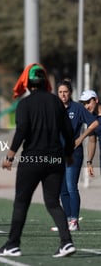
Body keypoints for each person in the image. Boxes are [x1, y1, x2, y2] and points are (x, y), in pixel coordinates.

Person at [0, 63, 76, 258]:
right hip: (55, 159)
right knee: (53, 203)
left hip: (32, 159)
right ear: (45, 82)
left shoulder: (25, 104)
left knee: (21, 202)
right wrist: (68, 154)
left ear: (29, 84)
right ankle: (67, 242)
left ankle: (13, 244)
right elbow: (68, 132)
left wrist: (10, 156)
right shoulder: (56, 102)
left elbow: (22, 131)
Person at [56, 79, 98, 231]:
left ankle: (74, 220)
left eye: (65, 92)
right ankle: (68, 221)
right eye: (60, 92)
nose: (63, 95)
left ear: (70, 93)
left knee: (71, 185)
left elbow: (94, 123)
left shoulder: (78, 108)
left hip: (74, 153)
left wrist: (81, 138)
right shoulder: (55, 108)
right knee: (61, 189)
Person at [79, 90, 101, 179]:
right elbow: (92, 141)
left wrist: (80, 138)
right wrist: (89, 162)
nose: (86, 106)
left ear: (96, 100)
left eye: (88, 102)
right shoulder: (91, 119)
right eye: (84, 104)